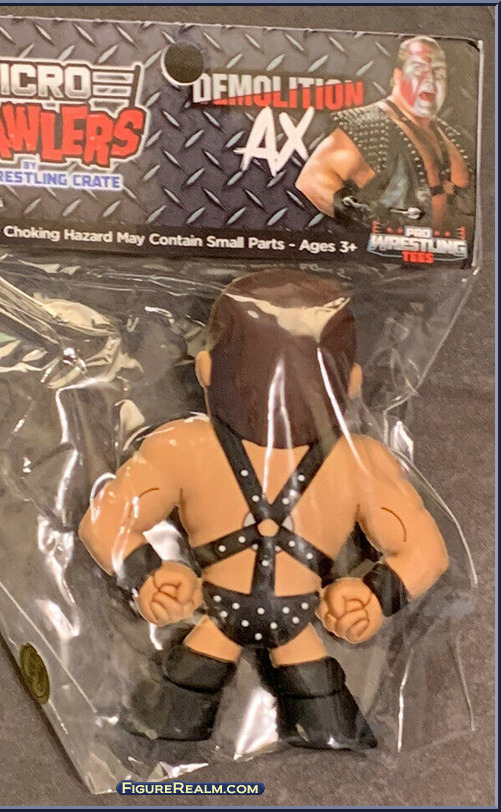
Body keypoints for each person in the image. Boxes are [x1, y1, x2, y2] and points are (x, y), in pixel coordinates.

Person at [79, 268, 449, 749]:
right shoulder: (186, 447)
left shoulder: (187, 448)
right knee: (178, 709)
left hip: (282, 619)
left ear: (206, 369)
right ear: (352, 382)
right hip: (226, 613)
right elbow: (104, 522)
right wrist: (148, 575)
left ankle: (313, 728)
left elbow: (425, 553)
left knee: (315, 717)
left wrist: (375, 598)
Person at [295, 36, 472, 232]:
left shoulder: (449, 134)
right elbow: (312, 180)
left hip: (455, 250)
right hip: (391, 252)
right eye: (419, 69)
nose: (430, 78)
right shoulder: (369, 124)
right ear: (398, 76)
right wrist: (374, 224)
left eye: (438, 72)